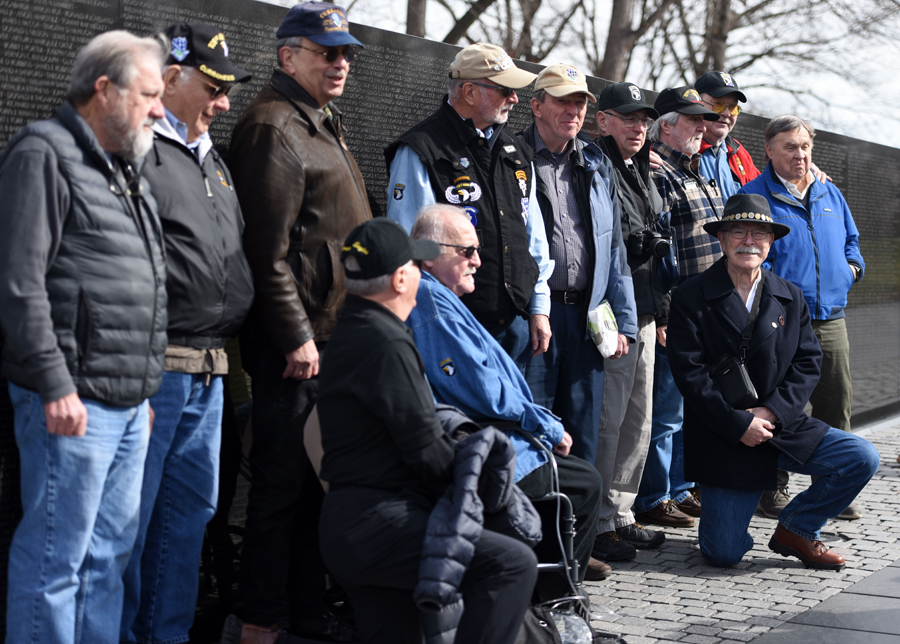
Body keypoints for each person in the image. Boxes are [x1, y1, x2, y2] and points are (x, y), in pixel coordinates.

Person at [0, 31, 167, 644]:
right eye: (149, 94)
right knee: (55, 561)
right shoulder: (42, 153)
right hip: (72, 404)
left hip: (125, 405)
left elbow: (143, 286)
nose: (158, 108)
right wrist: (54, 383)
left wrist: (142, 390)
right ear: (105, 90)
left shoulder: (127, 169)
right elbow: (20, 283)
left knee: (108, 561)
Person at [318, 217, 537, 643]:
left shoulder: (350, 330)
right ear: (401, 278)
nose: (421, 276)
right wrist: (478, 475)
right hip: (380, 524)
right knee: (511, 564)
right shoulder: (386, 341)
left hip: (349, 527)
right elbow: (426, 453)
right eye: (417, 268)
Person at [228, 2, 372, 640]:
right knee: (281, 491)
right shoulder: (271, 125)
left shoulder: (317, 120)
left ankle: (306, 613)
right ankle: (261, 622)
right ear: (289, 56)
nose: (340, 63)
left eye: (345, 53)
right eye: (326, 52)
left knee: (318, 486)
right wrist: (295, 335)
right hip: (299, 345)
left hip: (332, 338)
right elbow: (267, 249)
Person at [119, 23, 254, 644]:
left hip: (211, 369)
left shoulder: (214, 159)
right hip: (153, 371)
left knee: (188, 521)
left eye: (229, 89)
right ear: (169, 78)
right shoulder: (137, 149)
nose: (224, 103)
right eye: (214, 86)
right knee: (131, 524)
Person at [666, 193, 879, 569]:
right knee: (723, 554)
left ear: (770, 242)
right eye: (738, 231)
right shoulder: (689, 296)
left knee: (860, 456)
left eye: (759, 234)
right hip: (724, 433)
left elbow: (808, 361)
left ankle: (798, 527)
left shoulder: (790, 295)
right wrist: (739, 423)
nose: (749, 241)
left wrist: (772, 411)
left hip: (780, 424)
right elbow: (690, 373)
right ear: (721, 239)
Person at [407, 203, 609, 586]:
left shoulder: (438, 296)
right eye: (467, 251)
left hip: (480, 433)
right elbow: (482, 391)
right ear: (430, 254)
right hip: (472, 445)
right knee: (584, 484)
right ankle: (555, 601)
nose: (478, 262)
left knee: (580, 476)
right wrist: (546, 427)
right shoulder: (431, 304)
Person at [385, 42, 553, 372]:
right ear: (470, 92)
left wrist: (539, 306)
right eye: (505, 90)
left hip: (517, 325)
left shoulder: (516, 150)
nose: (514, 99)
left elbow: (533, 237)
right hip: (452, 322)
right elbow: (406, 244)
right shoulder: (422, 148)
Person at [739, 115, 866, 520]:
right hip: (780, 323)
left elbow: (852, 241)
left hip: (831, 319)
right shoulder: (755, 195)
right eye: (790, 147)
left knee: (836, 404)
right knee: (777, 406)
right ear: (769, 151)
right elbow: (750, 256)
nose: (800, 155)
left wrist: (851, 271)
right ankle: (771, 487)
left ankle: (834, 485)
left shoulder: (829, 191)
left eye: (805, 146)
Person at [517, 64, 637, 471]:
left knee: (584, 433)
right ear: (536, 105)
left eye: (581, 102)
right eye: (563, 101)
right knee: (534, 428)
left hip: (588, 318)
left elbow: (615, 248)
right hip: (537, 316)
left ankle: (580, 535)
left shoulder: (596, 163)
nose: (574, 110)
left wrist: (625, 320)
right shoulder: (512, 158)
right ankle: (536, 531)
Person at [632, 86, 722, 530]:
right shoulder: (657, 172)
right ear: (665, 125)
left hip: (709, 311)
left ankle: (680, 488)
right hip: (679, 307)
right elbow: (658, 250)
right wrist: (666, 312)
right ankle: (654, 496)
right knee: (666, 409)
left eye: (704, 119)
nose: (702, 127)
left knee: (689, 408)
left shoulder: (698, 170)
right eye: (692, 120)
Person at [592, 82, 669, 559]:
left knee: (639, 419)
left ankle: (621, 513)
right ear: (603, 121)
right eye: (627, 118)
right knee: (610, 418)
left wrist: (660, 311)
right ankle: (598, 521)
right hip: (611, 312)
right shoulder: (594, 164)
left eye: (644, 120)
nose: (638, 127)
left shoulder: (641, 166)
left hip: (645, 307)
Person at [694, 71, 760, 199]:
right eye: (718, 105)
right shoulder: (681, 146)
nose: (727, 113)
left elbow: (764, 191)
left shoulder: (738, 151)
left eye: (733, 107)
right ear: (697, 104)